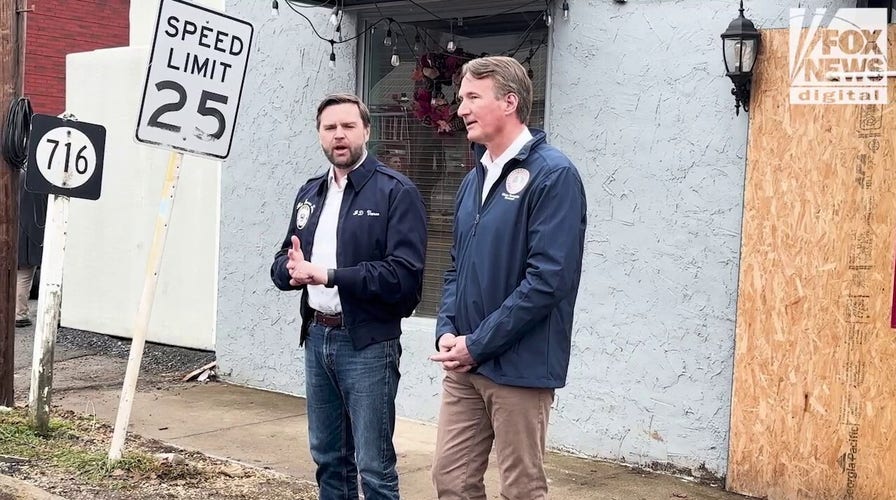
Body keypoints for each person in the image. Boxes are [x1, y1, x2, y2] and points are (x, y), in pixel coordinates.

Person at [429, 56, 587, 499]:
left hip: (520, 368)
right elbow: (456, 264)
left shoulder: (554, 175)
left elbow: (548, 280)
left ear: (510, 102)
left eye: (472, 97)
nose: (460, 108)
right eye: (461, 98)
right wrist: (447, 329)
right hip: (464, 364)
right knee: (451, 481)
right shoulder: (473, 178)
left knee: (521, 490)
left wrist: (478, 343)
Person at [270, 93, 427, 500]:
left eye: (348, 126)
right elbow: (282, 262)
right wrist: (290, 272)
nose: (339, 135)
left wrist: (328, 275)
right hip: (317, 338)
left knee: (373, 466)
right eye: (330, 128)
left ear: (366, 132)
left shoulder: (396, 192)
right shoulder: (310, 194)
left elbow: (405, 279)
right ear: (320, 135)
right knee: (328, 458)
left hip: (369, 345)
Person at [16, 175, 47, 327]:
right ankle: (19, 314)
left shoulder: (16, 177)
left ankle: (17, 312)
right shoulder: (39, 181)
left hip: (13, 231)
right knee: (24, 276)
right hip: (30, 234)